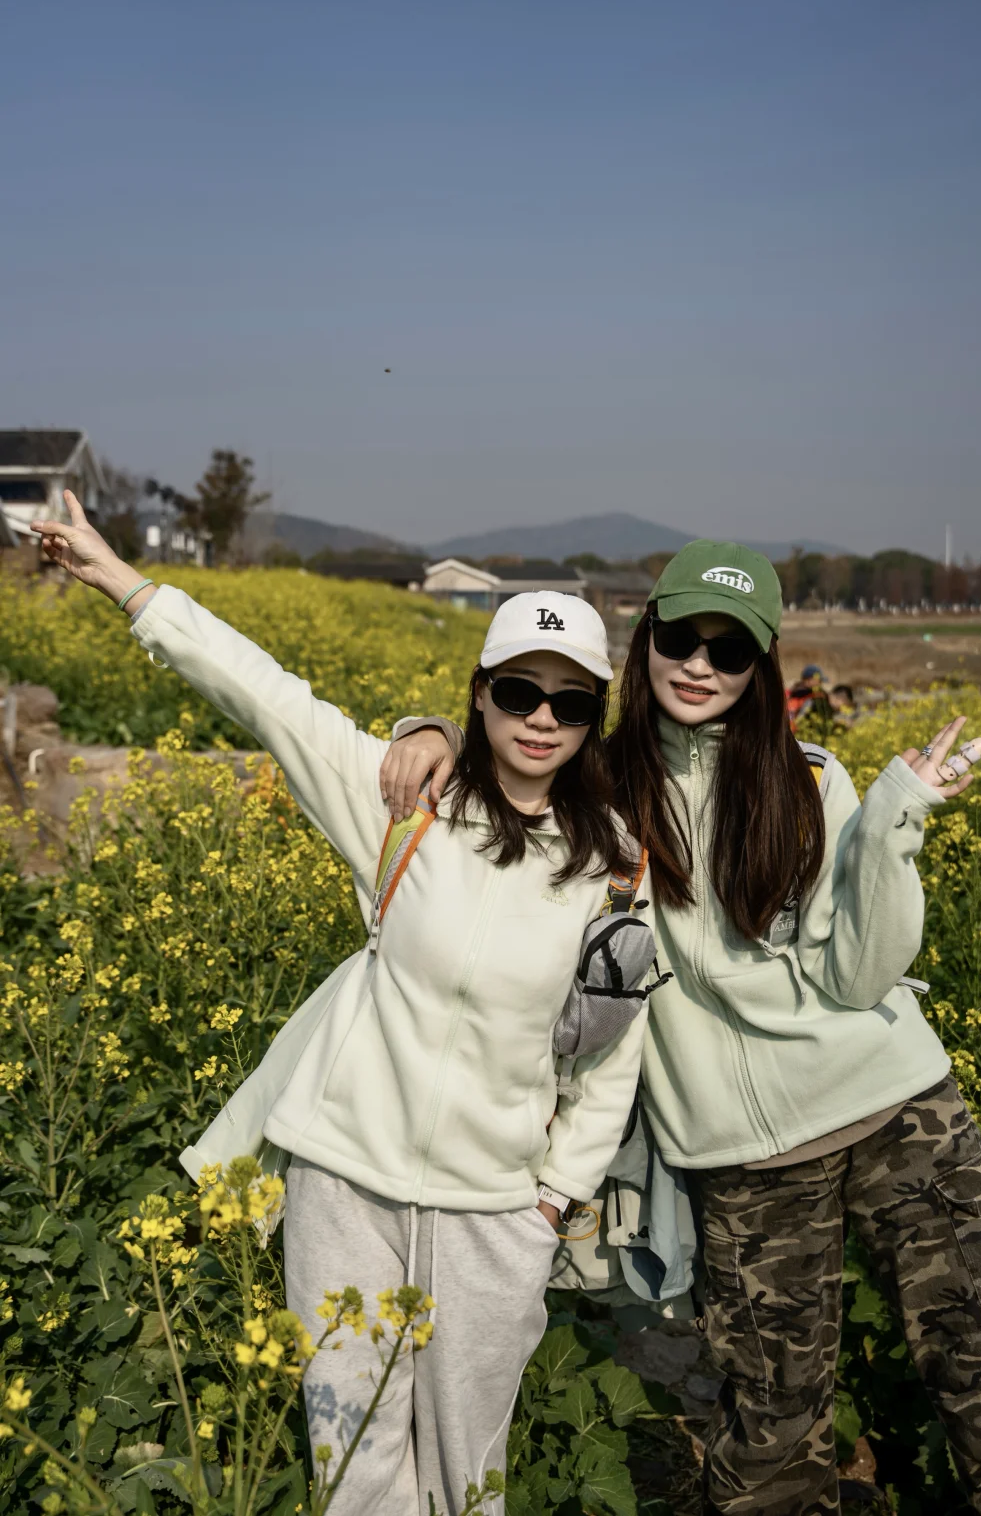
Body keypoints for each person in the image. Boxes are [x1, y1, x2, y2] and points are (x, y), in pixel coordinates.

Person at [383, 539, 981, 1515]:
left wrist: (892, 823)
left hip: (900, 1108)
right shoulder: (597, 793)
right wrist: (427, 733)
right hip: (744, 1154)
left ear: (761, 665)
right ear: (646, 638)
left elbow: (859, 975)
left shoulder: (811, 779)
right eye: (682, 637)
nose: (701, 665)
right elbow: (509, 751)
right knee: (772, 1436)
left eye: (731, 649)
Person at [31, 492, 652, 1516]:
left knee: (469, 1480)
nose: (542, 718)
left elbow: (612, 1054)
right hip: (343, 1189)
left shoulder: (616, 866)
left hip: (495, 1213)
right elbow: (266, 694)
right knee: (351, 1468)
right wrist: (121, 580)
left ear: (595, 718)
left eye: (570, 702)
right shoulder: (405, 804)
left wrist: (552, 1200)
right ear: (480, 695)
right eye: (518, 691)